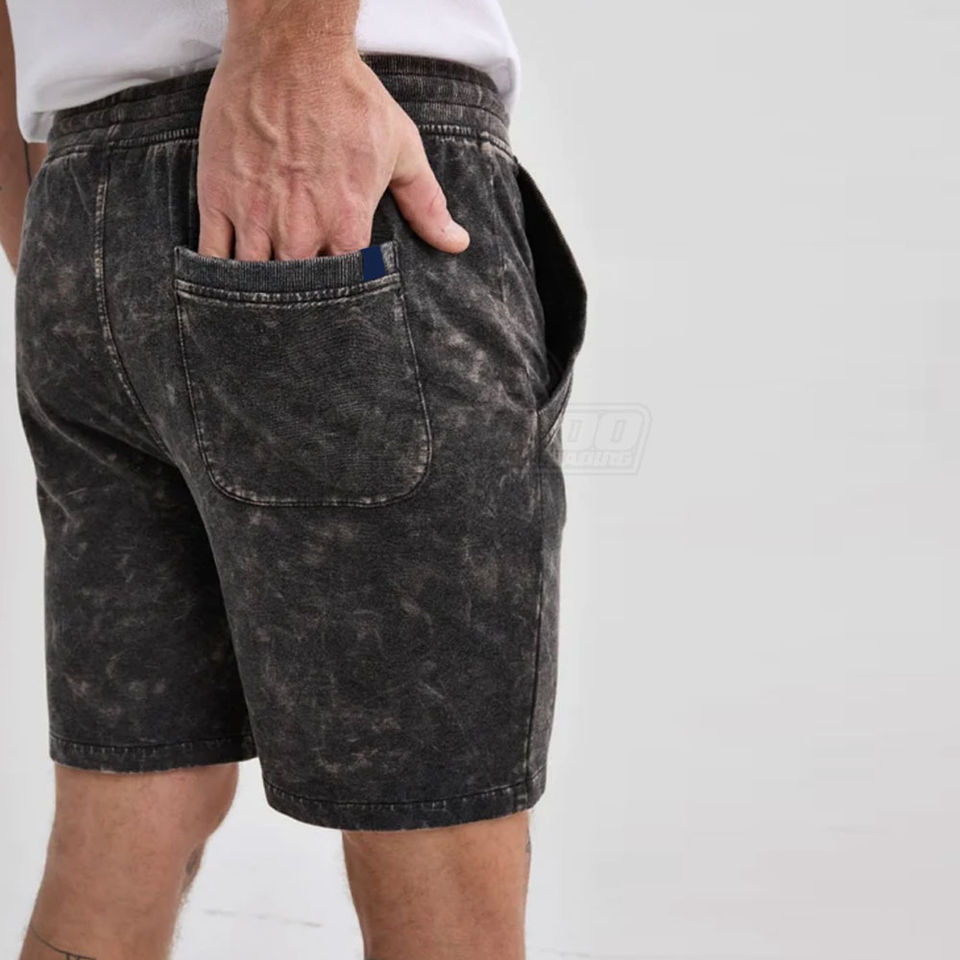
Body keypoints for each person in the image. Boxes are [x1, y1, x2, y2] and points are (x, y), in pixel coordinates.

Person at [1, 0, 586, 956]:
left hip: (76, 198)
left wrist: (50, 239)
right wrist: (296, 59)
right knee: (432, 824)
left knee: (127, 813)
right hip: (306, 151)